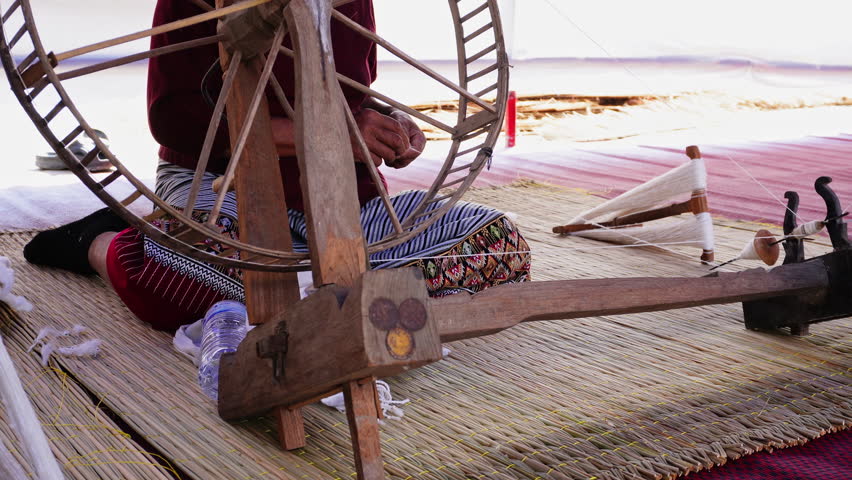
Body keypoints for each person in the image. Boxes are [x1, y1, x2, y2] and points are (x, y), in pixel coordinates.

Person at [24, 0, 531, 332]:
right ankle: (101, 242)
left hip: (336, 202)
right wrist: (331, 133)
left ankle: (310, 292)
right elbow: (176, 120)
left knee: (496, 246)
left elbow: (351, 96)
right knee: (177, 273)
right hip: (221, 188)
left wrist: (387, 123)